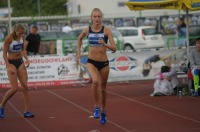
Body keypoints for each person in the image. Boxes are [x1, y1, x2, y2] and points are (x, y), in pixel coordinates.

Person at [76, 8, 117, 125]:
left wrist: (104, 44)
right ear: (91, 18)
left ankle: (104, 111)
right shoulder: (87, 30)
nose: (97, 19)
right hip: (91, 62)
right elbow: (79, 39)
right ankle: (96, 107)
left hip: (104, 63)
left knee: (103, 90)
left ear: (101, 18)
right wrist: (78, 53)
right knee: (95, 81)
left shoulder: (106, 30)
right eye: (95, 16)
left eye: (99, 16)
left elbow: (114, 48)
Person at [0, 24, 34, 118]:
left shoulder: (22, 36)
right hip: (11, 62)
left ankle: (26, 111)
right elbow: (4, 54)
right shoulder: (8, 39)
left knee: (24, 86)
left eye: (22, 33)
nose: (21, 35)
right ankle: (2, 106)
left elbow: (23, 50)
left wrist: (26, 59)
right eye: (19, 33)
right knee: (14, 89)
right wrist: (8, 66)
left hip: (20, 62)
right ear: (15, 31)